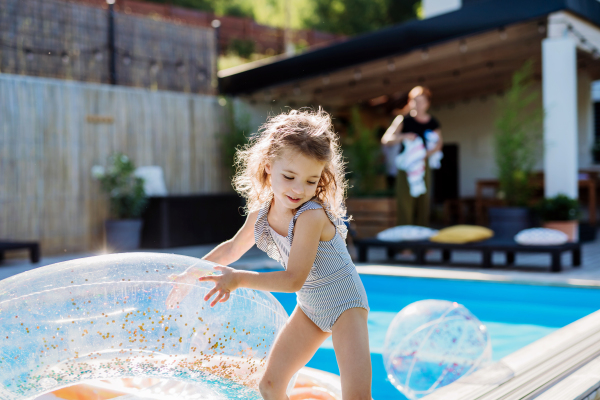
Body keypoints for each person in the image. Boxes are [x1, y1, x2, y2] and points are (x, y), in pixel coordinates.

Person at [166, 108, 371, 400]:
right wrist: (192, 272)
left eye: (311, 181)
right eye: (289, 176)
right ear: (267, 167)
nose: (299, 189)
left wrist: (238, 280)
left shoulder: (311, 216)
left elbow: (293, 280)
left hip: (345, 305)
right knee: (270, 387)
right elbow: (233, 248)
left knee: (357, 398)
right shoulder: (261, 215)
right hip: (311, 309)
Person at [381, 86, 443, 227]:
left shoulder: (433, 122)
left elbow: (439, 144)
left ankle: (423, 243)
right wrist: (403, 136)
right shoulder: (403, 119)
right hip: (406, 165)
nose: (418, 105)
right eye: (415, 101)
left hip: (422, 164)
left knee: (423, 202)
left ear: (427, 103)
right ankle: (406, 245)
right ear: (410, 102)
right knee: (405, 202)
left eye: (421, 101)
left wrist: (422, 155)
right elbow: (386, 139)